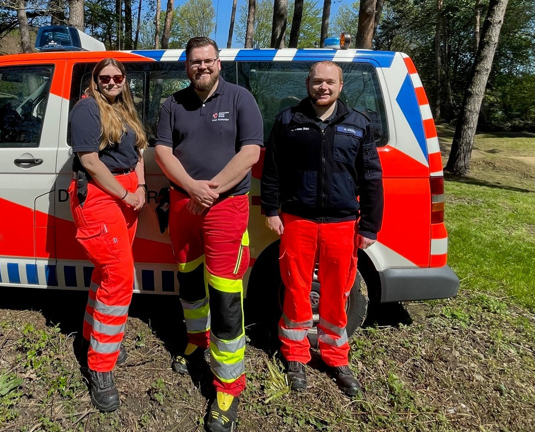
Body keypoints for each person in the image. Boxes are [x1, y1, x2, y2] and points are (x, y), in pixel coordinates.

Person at [155, 37, 263, 432]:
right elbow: (163, 152)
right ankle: (196, 340)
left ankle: (228, 385)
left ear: (219, 63)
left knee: (224, 292)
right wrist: (192, 187)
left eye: (208, 61)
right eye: (195, 62)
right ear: (187, 66)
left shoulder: (240, 99)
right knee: (188, 280)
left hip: (225, 206)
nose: (202, 67)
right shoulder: (172, 103)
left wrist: (210, 188)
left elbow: (251, 151)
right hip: (184, 205)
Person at [260, 60, 384, 397]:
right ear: (307, 84)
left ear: (341, 86)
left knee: (338, 291)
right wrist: (271, 209)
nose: (323, 87)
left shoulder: (359, 124)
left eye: (330, 82)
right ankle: (295, 356)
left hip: (343, 222)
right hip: (297, 219)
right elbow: (272, 170)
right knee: (296, 288)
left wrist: (371, 225)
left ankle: (335, 358)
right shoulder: (288, 120)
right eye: (317, 82)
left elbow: (372, 178)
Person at [68, 58, 147, 413]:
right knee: (118, 278)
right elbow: (90, 162)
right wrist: (126, 193)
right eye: (105, 77)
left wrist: (141, 185)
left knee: (106, 274)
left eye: (117, 76)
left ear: (123, 79)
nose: (112, 81)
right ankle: (100, 365)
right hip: (103, 195)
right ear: (95, 80)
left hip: (125, 192)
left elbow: (139, 151)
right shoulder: (87, 108)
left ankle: (95, 338)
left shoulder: (124, 108)